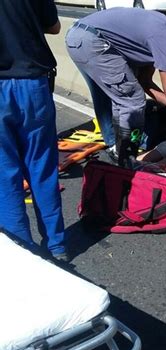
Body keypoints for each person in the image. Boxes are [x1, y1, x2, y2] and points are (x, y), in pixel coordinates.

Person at [65, 7, 166, 167]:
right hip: (92, 41)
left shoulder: (161, 25)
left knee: (122, 100)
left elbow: (145, 81)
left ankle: (119, 150)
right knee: (133, 102)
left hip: (80, 37)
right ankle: (128, 159)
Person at [0, 0, 69, 261]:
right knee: (42, 167)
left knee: (5, 175)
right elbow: (54, 27)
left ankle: (22, 251)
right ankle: (57, 245)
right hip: (33, 83)